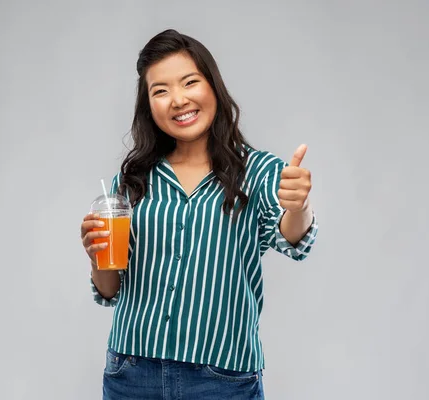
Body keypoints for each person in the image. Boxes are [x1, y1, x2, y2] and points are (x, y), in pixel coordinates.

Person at [81, 29, 318, 400]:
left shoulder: (257, 172)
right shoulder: (131, 180)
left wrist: (298, 205)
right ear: (148, 105)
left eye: (189, 82)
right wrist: (98, 257)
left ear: (213, 87)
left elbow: (292, 238)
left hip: (221, 377)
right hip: (132, 372)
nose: (177, 100)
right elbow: (110, 288)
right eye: (160, 91)